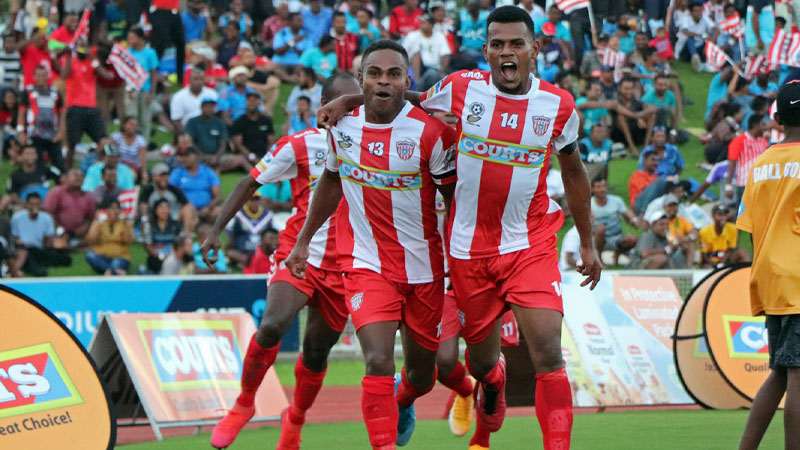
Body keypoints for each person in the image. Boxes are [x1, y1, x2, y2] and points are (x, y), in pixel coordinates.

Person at [316, 8, 602, 448]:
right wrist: (349, 101)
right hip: (468, 252)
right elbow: (397, 95)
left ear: (534, 49)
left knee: (548, 352)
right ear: (486, 51)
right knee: (481, 364)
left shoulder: (558, 105)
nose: (507, 52)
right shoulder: (460, 88)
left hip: (529, 243)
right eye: (498, 45)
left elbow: (575, 172)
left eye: (516, 44)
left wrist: (586, 242)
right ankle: (491, 382)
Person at [286, 41, 459, 449]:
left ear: (406, 80)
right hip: (366, 263)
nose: (383, 81)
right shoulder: (342, 127)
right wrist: (302, 241)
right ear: (361, 79)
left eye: (393, 74)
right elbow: (331, 180)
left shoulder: (433, 134)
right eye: (375, 73)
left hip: (424, 268)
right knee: (377, 359)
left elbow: (455, 204)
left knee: (422, 376)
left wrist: (461, 264)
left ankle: (405, 397)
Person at [204, 73, 361, 450]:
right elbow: (249, 183)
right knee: (273, 325)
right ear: (323, 106)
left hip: (345, 265)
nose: (349, 112)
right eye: (341, 104)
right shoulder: (300, 144)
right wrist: (215, 231)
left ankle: (295, 421)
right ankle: (243, 404)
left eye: (354, 105)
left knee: (316, 352)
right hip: (298, 253)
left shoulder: (376, 145)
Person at [737, 80, 800, 450]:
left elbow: (750, 228)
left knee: (779, 373)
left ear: (777, 118)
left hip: (771, 279)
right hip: (799, 280)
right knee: (797, 378)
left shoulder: (759, 164)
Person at [61, 42, 112, 170]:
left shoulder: (92, 63)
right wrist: (69, 56)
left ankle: (105, 167)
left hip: (91, 108)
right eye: (79, 46)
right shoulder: (72, 62)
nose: (82, 49)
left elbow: (106, 75)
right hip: (75, 107)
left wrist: (92, 57)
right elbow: (64, 75)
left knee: (103, 140)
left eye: (84, 46)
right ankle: (67, 170)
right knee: (72, 144)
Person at [10, 192, 71, 277]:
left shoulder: (46, 218)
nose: (34, 207)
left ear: (41, 204)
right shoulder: (17, 217)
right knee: (27, 257)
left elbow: (48, 240)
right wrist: (18, 242)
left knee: (66, 259)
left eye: (37, 204)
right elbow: (13, 236)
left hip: (38, 249)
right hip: (23, 249)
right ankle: (36, 269)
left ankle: (38, 264)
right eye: (31, 204)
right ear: (26, 204)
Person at [18, 65, 65, 171]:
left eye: (43, 75)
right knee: (35, 164)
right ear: (34, 77)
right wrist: (21, 132)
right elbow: (22, 113)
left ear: (48, 76)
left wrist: (61, 132)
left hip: (53, 135)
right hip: (34, 134)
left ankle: (60, 179)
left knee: (60, 165)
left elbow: (62, 114)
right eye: (38, 75)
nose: (41, 78)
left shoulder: (56, 93)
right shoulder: (28, 92)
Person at [591, 178, 639, 266]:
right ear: (592, 189)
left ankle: (616, 255)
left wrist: (634, 220)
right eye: (598, 187)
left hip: (616, 236)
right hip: (597, 238)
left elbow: (627, 213)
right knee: (601, 229)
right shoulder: (589, 204)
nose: (602, 189)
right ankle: (599, 259)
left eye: (604, 186)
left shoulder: (616, 201)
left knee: (632, 239)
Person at [138, 163, 197, 233]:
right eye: (161, 176)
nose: (164, 178)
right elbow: (143, 205)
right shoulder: (148, 190)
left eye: (166, 175)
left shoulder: (174, 189)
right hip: (154, 219)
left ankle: (186, 235)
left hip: (174, 218)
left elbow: (187, 205)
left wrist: (194, 217)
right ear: (154, 177)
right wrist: (144, 219)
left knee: (188, 210)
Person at [0, 144, 60, 212]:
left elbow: (61, 178)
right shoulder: (15, 175)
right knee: (11, 203)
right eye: (27, 154)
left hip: (45, 204)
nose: (30, 156)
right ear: (21, 156)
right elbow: (12, 194)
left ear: (36, 155)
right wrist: (26, 204)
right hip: (24, 205)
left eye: (32, 154)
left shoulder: (45, 169)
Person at [726, 114, 769, 208]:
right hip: (744, 184)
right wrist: (728, 185)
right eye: (763, 124)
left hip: (761, 185)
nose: (766, 127)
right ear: (755, 125)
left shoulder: (764, 142)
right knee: (743, 213)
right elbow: (732, 163)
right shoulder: (739, 140)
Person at [169, 146, 221, 224]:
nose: (183, 159)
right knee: (188, 211)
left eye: (187, 156)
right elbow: (170, 193)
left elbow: (218, 196)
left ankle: (213, 230)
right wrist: (186, 206)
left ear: (196, 156)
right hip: (185, 208)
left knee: (219, 211)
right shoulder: (177, 173)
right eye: (182, 156)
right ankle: (188, 230)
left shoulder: (207, 171)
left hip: (206, 209)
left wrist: (208, 207)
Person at [125, 26, 160, 143]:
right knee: (131, 116)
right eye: (129, 38)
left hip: (145, 89)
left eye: (133, 38)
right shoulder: (128, 52)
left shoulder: (150, 53)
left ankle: (144, 143)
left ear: (140, 38)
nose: (130, 41)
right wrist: (128, 89)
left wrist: (152, 92)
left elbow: (153, 74)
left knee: (145, 118)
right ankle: (130, 141)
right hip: (131, 89)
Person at [44, 168, 95, 245]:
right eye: (75, 175)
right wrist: (60, 231)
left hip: (80, 234)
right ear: (66, 179)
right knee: (59, 245)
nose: (78, 178)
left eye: (81, 176)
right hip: (58, 233)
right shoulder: (56, 192)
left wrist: (85, 227)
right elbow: (48, 214)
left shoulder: (88, 196)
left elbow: (91, 217)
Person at [85, 199, 135, 276]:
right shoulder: (98, 222)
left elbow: (129, 240)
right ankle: (113, 270)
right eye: (113, 208)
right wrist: (97, 224)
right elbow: (91, 240)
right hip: (101, 256)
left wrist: (125, 224)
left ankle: (109, 271)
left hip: (120, 257)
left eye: (118, 208)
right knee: (90, 255)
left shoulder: (125, 223)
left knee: (116, 263)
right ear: (106, 211)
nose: (116, 211)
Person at [404, 14, 451, 91]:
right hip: (415, 69)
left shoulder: (439, 36)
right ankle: (416, 85)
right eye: (421, 22)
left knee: (432, 74)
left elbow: (445, 54)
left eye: (425, 22)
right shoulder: (412, 36)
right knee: (416, 54)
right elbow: (403, 54)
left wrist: (442, 71)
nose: (421, 24)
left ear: (432, 25)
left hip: (434, 68)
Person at [699, 204, 750, 268]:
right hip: (711, 261)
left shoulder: (733, 229)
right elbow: (704, 255)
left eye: (725, 215)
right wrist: (715, 264)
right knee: (707, 267)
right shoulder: (704, 232)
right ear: (713, 216)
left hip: (726, 259)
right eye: (720, 215)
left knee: (742, 252)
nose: (723, 218)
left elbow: (731, 249)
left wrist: (722, 263)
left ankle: (748, 271)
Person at [149, 0, 186, 84]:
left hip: (174, 11)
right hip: (159, 10)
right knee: (159, 46)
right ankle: (153, 77)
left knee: (181, 43)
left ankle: (180, 77)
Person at [231, 91, 275, 162]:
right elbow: (238, 144)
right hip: (247, 156)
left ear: (259, 103)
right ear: (246, 102)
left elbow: (271, 141)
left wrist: (267, 157)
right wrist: (252, 157)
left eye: (254, 100)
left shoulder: (266, 120)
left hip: (264, 155)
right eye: (249, 100)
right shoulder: (239, 121)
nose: (252, 103)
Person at [170, 67, 217, 134]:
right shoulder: (178, 96)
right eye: (196, 79)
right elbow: (176, 120)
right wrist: (185, 135)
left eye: (201, 79)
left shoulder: (212, 94)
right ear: (189, 80)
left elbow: (216, 114)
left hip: (209, 129)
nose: (199, 82)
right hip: (188, 129)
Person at [143, 198, 183, 273]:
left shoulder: (175, 225)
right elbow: (148, 245)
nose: (164, 211)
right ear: (155, 210)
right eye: (161, 208)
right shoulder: (150, 225)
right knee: (153, 261)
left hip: (173, 256)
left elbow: (181, 242)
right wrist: (161, 256)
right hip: (156, 257)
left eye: (166, 207)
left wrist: (172, 255)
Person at [663, 194, 697, 267]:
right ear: (664, 207)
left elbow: (695, 234)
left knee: (689, 244)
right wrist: (677, 239)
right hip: (664, 246)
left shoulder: (681, 220)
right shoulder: (661, 220)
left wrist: (687, 238)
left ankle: (689, 268)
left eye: (674, 206)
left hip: (678, 245)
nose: (672, 208)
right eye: (670, 206)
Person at [110, 117, 148, 181]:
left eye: (135, 125)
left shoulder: (140, 140)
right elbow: (111, 154)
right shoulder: (116, 137)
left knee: (131, 175)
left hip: (133, 166)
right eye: (130, 124)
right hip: (118, 165)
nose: (132, 127)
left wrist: (144, 173)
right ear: (124, 125)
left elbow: (142, 159)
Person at [455, 0, 488, 65]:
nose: (470, 7)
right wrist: (458, 51)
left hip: (483, 50)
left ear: (478, 6)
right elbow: (457, 35)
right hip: (466, 51)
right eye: (469, 5)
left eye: (473, 5)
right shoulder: (462, 16)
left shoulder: (486, 16)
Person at [629, 150, 662, 214]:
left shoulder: (657, 176)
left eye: (657, 161)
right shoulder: (637, 175)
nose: (655, 163)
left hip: (654, 205)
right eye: (653, 160)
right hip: (639, 204)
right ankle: (642, 214)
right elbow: (644, 190)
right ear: (644, 160)